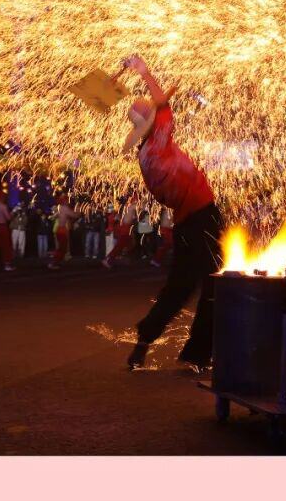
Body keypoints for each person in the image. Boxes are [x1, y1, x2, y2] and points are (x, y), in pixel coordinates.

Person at [119, 54, 223, 372]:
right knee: (217, 284)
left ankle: (144, 340)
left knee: (179, 288)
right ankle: (197, 354)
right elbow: (163, 105)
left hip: (185, 224)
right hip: (202, 218)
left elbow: (161, 107)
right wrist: (144, 71)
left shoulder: (146, 155)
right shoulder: (160, 141)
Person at [48, 196, 78, 270]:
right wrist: (78, 211)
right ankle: (53, 263)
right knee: (62, 248)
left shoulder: (60, 208)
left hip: (60, 229)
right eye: (67, 200)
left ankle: (55, 261)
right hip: (62, 230)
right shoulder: (65, 208)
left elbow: (55, 216)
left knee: (62, 248)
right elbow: (74, 215)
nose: (68, 201)